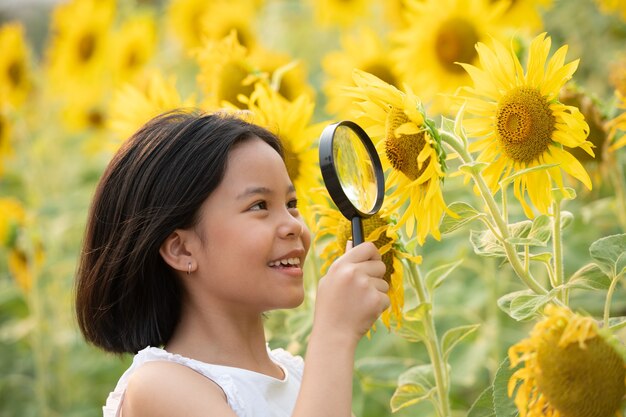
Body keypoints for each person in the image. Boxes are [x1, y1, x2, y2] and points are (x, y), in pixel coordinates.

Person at [75, 109, 390, 417]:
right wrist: (334, 334)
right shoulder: (159, 386)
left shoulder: (296, 375)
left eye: (291, 204)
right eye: (259, 206)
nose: (294, 225)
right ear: (182, 250)